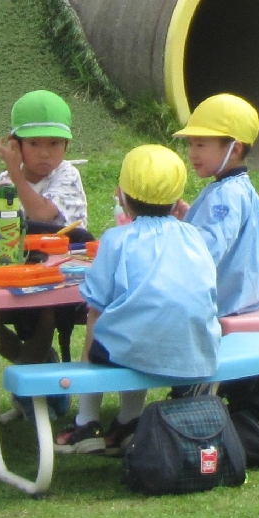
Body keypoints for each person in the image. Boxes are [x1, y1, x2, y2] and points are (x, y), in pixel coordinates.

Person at [55, 145, 221, 456]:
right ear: (177, 200)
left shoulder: (117, 239)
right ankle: (128, 421)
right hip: (196, 347)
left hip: (135, 349)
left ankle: (86, 421)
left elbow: (96, 303)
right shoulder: (194, 236)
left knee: (109, 324)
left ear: (121, 196)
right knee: (138, 320)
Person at [0, 90, 90, 376]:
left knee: (44, 314)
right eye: (34, 143)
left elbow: (42, 214)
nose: (45, 152)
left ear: (67, 145)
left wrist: (15, 174)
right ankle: (39, 369)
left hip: (60, 283)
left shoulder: (66, 174)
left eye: (54, 143)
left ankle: (32, 390)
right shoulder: (2, 182)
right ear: (16, 145)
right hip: (12, 277)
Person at [176, 93, 259, 317]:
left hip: (223, 305)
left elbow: (208, 248)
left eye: (200, 144)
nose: (192, 153)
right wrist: (191, 217)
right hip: (243, 301)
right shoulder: (237, 189)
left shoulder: (226, 194)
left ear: (235, 149)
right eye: (190, 144)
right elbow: (223, 230)